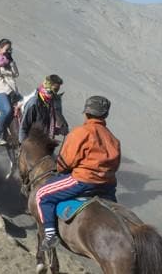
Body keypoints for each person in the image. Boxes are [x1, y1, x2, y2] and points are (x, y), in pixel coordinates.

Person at [36, 96, 120, 251]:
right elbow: (115, 165)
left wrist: (61, 170)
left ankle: (50, 234)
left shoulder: (80, 132)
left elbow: (65, 162)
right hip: (107, 186)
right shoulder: (113, 139)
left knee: (42, 194)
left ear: (86, 114)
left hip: (83, 182)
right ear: (105, 115)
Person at [19, 75, 67, 143]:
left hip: (44, 140)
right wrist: (24, 145)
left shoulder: (51, 103)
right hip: (31, 141)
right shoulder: (34, 103)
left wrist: (61, 129)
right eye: (55, 90)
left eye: (57, 91)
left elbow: (48, 123)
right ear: (48, 87)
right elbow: (24, 127)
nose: (55, 94)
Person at [0, 39, 19, 146]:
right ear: (0, 49)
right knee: (7, 110)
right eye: (7, 49)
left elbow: (16, 74)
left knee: (25, 107)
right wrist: (9, 91)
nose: (9, 51)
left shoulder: (9, 60)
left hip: (13, 91)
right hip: (0, 91)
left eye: (10, 49)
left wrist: (12, 62)